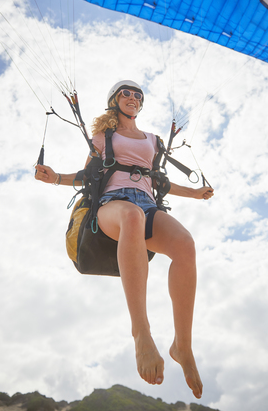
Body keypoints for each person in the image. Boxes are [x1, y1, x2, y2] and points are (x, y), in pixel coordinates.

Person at [35, 80, 214, 399]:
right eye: (126, 93)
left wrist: (195, 193)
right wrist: (56, 178)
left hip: (147, 204)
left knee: (185, 245)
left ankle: (182, 346)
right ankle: (141, 333)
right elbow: (87, 175)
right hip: (111, 206)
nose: (132, 97)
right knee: (130, 214)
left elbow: (160, 180)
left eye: (137, 95)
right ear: (114, 101)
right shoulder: (102, 137)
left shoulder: (154, 140)